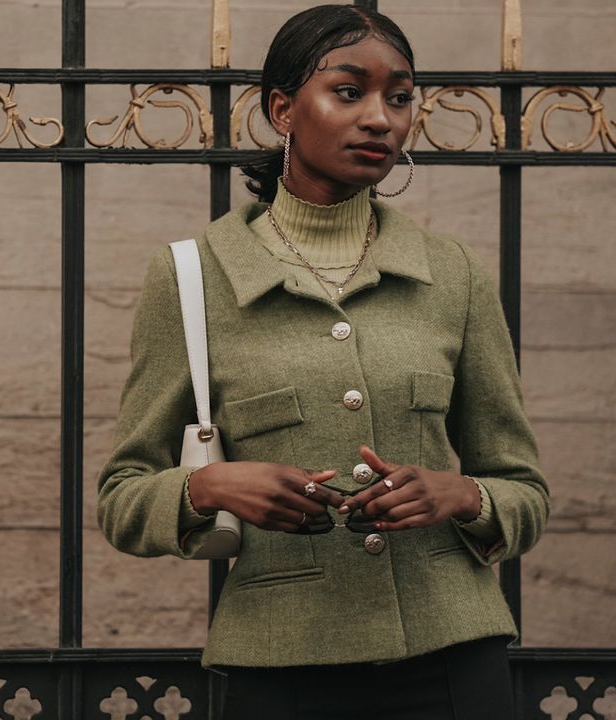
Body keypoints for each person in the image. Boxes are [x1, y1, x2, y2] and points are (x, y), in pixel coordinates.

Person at [97, 5, 549, 718]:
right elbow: (123, 499)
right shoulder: (192, 277)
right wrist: (211, 485)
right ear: (283, 109)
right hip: (280, 669)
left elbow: (524, 490)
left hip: (455, 660)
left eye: (399, 98)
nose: (381, 119)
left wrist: (462, 496)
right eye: (349, 91)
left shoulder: (452, 274)